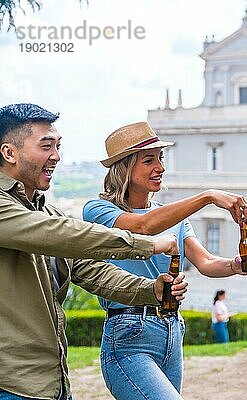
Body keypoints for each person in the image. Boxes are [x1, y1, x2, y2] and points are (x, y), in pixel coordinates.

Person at [0, 103, 187, 400]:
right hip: (11, 385)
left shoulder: (47, 210)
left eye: (58, 146)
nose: (56, 156)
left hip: (51, 383)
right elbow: (61, 235)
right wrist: (147, 243)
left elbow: (91, 269)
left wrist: (151, 289)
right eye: (46, 146)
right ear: (9, 153)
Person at [82, 121, 247, 400]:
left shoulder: (172, 217)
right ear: (125, 167)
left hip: (171, 330)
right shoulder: (99, 210)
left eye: (161, 158)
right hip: (128, 335)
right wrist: (208, 196)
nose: (160, 167)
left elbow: (204, 262)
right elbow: (143, 227)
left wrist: (234, 266)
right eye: (149, 160)